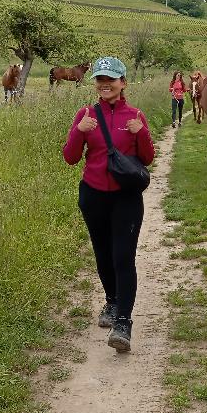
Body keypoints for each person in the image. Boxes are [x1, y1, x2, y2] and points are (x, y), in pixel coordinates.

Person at [63, 56, 155, 353]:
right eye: (100, 79)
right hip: (93, 194)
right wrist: (80, 130)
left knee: (123, 258)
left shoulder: (135, 115)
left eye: (111, 79)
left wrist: (140, 133)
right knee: (103, 255)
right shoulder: (86, 114)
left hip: (126, 197)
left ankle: (124, 323)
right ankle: (112, 301)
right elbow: (70, 157)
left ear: (122, 83)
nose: (105, 84)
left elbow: (148, 158)